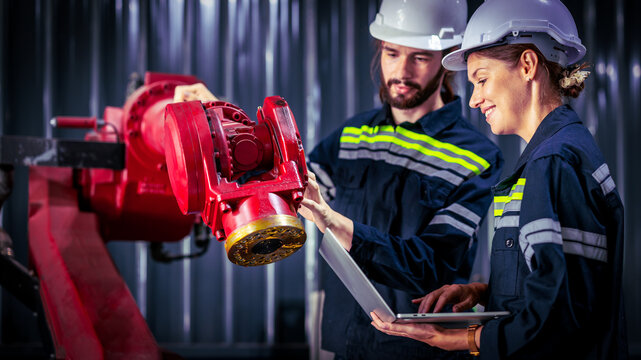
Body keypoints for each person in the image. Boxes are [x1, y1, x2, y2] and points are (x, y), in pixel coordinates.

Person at [369, 0, 628, 359]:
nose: (474, 100)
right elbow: (562, 285)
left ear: (527, 65)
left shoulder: (554, 162)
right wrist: (483, 292)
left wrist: (460, 339)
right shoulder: (554, 154)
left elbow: (557, 318)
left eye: (482, 79)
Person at [298, 0, 504, 358]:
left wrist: (336, 223)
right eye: (392, 53)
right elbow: (292, 186)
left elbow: (434, 266)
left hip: (416, 349)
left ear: (449, 57)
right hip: (343, 344)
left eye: (420, 58)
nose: (401, 71)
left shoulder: (476, 156)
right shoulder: (352, 135)